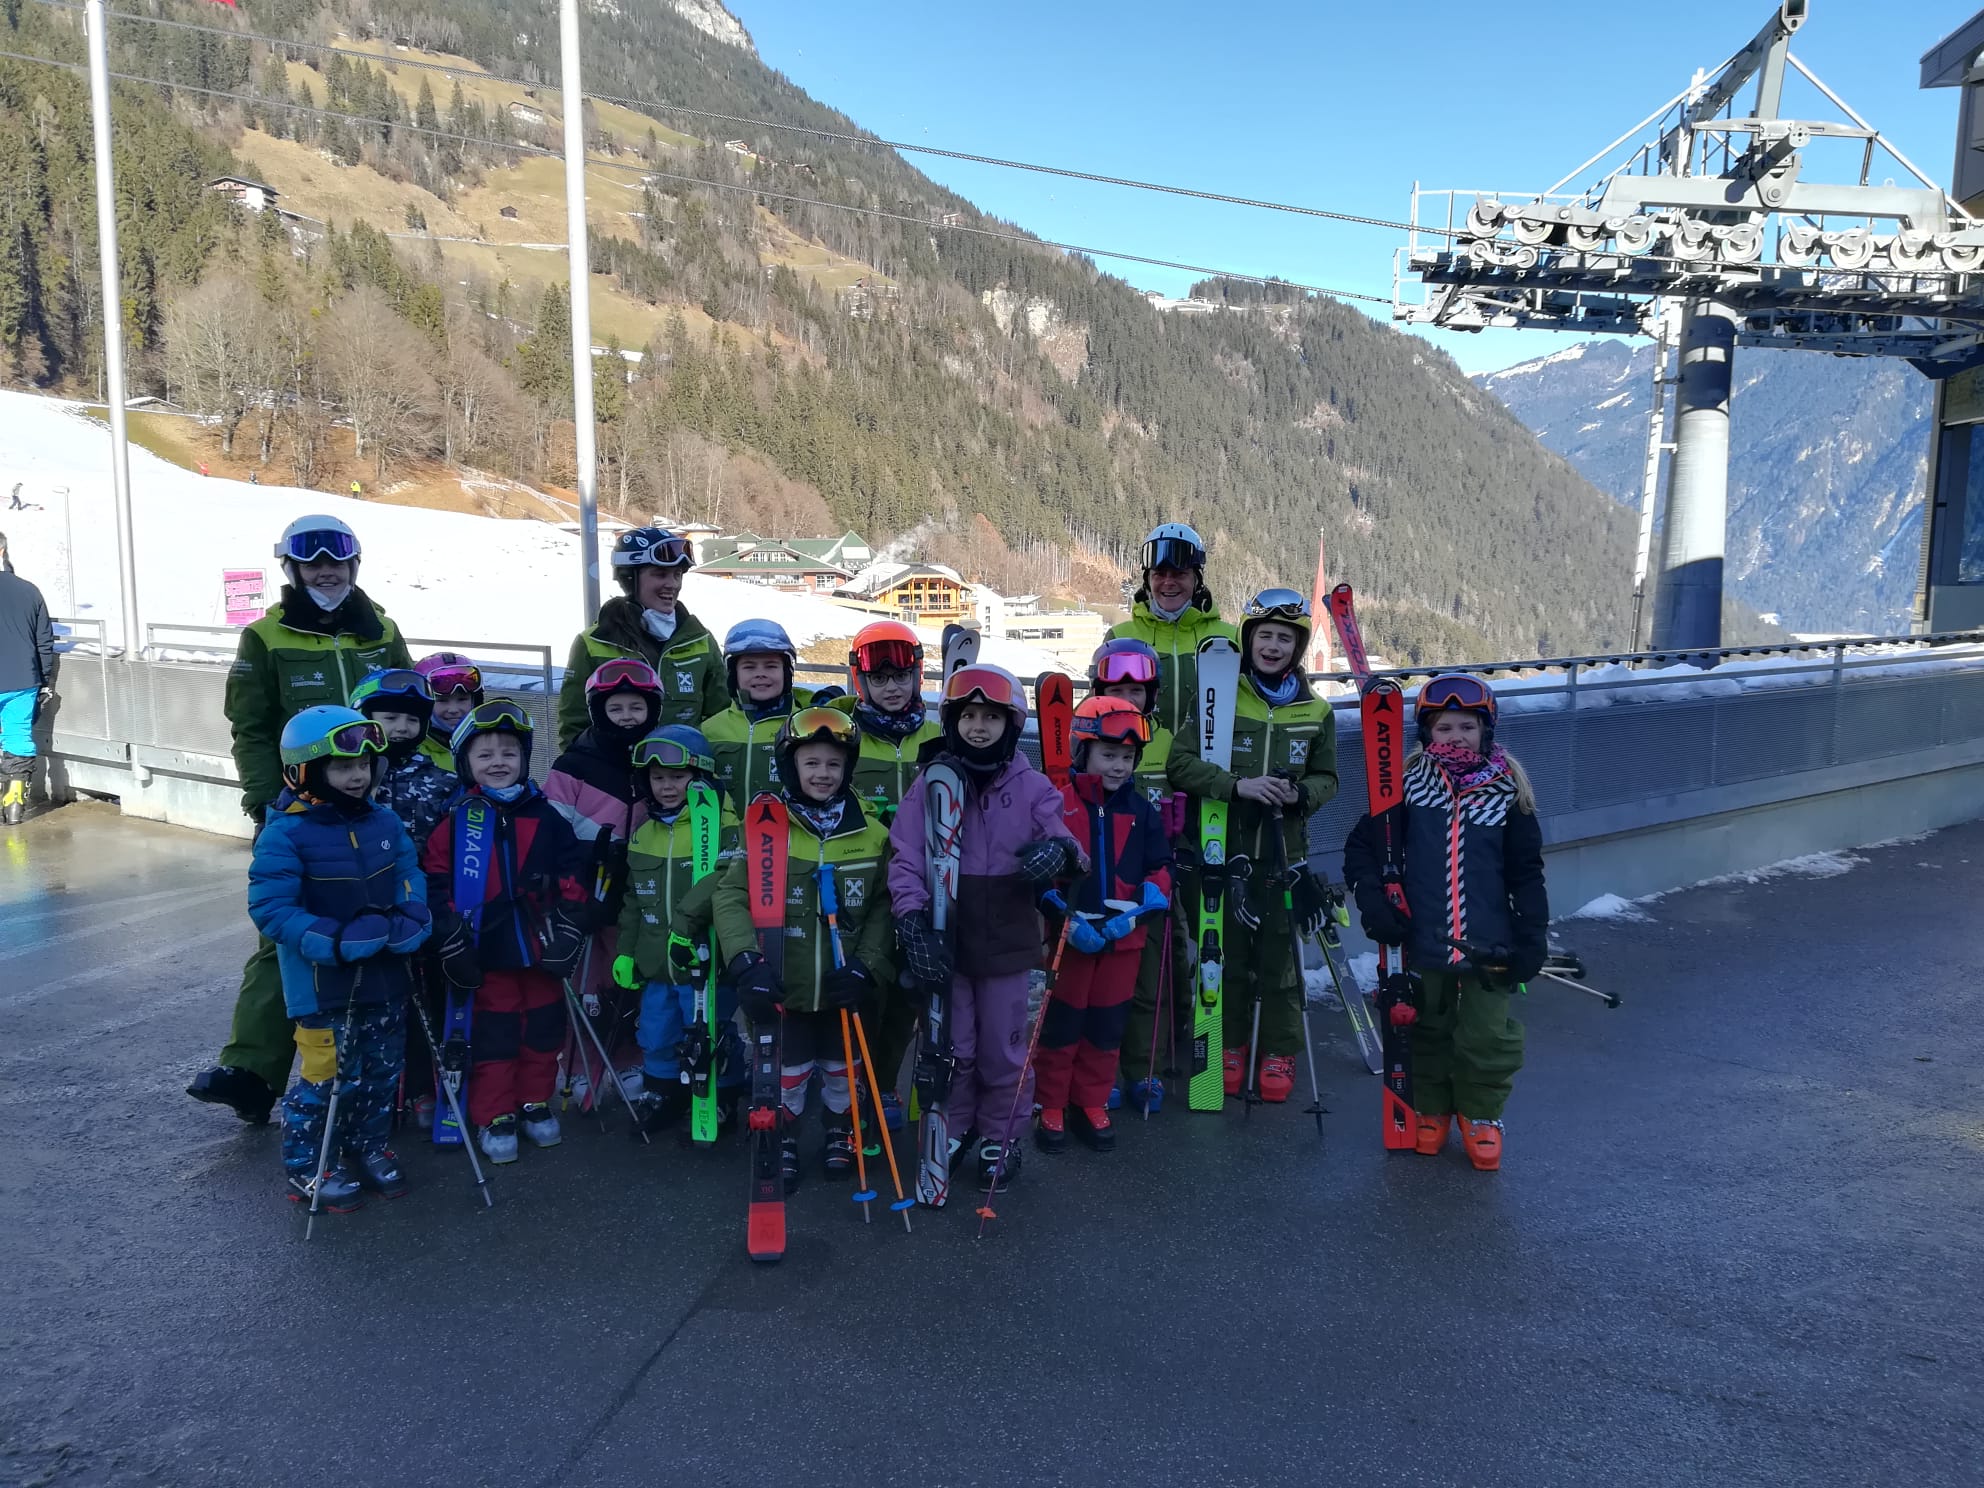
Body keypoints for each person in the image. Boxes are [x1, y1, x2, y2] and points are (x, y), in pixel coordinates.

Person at [188, 516, 413, 1124]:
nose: (326, 570)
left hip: (374, 807)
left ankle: (383, 1074)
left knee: (383, 926)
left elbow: (408, 705)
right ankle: (253, 1073)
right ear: (292, 569)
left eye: (336, 560)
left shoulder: (382, 631)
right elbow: (252, 728)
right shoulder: (265, 638)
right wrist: (270, 802)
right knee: (283, 936)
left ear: (354, 566)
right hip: (301, 809)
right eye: (311, 562)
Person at [888, 665, 1084, 1192]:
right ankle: (953, 1127)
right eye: (969, 716)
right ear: (952, 722)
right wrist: (911, 922)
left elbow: (1069, 844)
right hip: (947, 938)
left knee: (1003, 1049)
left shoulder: (1032, 786)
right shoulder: (931, 784)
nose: (979, 727)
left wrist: (1054, 853)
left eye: (990, 717)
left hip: (1008, 941)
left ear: (1011, 724)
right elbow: (905, 856)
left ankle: (1002, 1132)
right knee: (955, 1048)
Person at [1342, 674, 1545, 1172]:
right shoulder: (1403, 790)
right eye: (1444, 727)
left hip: (1488, 944)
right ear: (1426, 735)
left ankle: (1480, 1114)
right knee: (1426, 1028)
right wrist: (1376, 904)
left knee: (1485, 1036)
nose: (1455, 736)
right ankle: (1431, 1105)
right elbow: (1362, 851)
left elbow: (1526, 873)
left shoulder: (1507, 793)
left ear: (1486, 730)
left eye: (1467, 727)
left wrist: (1531, 934)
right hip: (1422, 937)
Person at [245, 706, 430, 1212]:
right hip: (323, 986)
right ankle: (311, 1166)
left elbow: (408, 873)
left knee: (379, 1071)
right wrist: (331, 939)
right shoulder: (285, 833)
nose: (358, 776)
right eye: (343, 767)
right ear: (306, 772)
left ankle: (368, 1146)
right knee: (328, 1077)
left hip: (385, 975)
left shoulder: (384, 820)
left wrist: (413, 914)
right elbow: (271, 908)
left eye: (367, 766)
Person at [713, 707, 896, 1192]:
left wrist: (867, 966)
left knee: (843, 1072)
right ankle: (785, 1137)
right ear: (791, 767)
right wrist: (743, 960)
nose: (822, 774)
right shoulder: (766, 830)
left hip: (843, 990)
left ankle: (841, 1134)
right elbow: (731, 895)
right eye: (811, 763)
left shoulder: (872, 835)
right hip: (783, 986)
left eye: (833, 765)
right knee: (787, 1076)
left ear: (848, 769)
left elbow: (883, 906)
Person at [1167, 588, 1338, 1105]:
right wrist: (1235, 786)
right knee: (1228, 956)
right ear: (1249, 640)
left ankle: (1279, 1049)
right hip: (1225, 852)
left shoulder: (1316, 710)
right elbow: (1180, 764)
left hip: (1285, 854)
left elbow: (1328, 776)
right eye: (1264, 635)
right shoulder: (1219, 697)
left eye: (1284, 638)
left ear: (1298, 646)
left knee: (1281, 961)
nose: (1272, 645)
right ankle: (1232, 1043)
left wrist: (1300, 794)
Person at [422, 701, 589, 1165]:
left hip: (540, 950)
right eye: (486, 754)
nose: (499, 762)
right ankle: (495, 1113)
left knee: (542, 1031)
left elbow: (574, 874)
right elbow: (436, 882)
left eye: (509, 753)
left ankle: (534, 1101)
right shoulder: (457, 821)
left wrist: (569, 927)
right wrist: (450, 934)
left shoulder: (547, 817)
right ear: (466, 764)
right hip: (486, 953)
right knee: (494, 1036)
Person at [1033, 696, 1172, 1155]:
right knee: (1062, 1025)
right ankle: (1051, 1102)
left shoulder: (1143, 810)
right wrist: (1060, 915)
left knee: (1106, 1025)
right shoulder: (1058, 804)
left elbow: (1161, 864)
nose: (1118, 767)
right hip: (1072, 939)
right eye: (1108, 755)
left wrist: (1154, 894)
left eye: (1127, 758)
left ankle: (1091, 1100)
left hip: (1124, 938)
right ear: (1083, 751)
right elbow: (1039, 873)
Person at [828, 619, 941, 1129]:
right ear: (861, 682)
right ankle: (853, 1083)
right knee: (864, 989)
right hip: (865, 887)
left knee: (906, 995)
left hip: (923, 888)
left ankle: (885, 1083)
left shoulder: (939, 736)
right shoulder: (844, 738)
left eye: (902, 677)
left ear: (918, 677)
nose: (892, 688)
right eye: (880, 679)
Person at [611, 725, 745, 1132]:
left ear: (699, 776)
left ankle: (720, 1095)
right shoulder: (643, 833)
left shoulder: (723, 824)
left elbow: (726, 877)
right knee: (656, 1030)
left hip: (704, 961)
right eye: (657, 778)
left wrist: (689, 919)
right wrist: (626, 951)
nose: (666, 787)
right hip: (657, 963)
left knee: (709, 1031)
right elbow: (634, 900)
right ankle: (663, 1092)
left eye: (677, 777)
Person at [546, 658, 666, 1099]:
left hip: (635, 891)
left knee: (628, 977)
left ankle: (628, 1057)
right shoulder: (575, 763)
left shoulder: (655, 760)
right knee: (587, 984)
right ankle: (578, 1062)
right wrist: (574, 874)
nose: (628, 718)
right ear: (599, 712)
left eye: (637, 708)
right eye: (617, 709)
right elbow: (551, 827)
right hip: (586, 889)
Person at [349, 667, 460, 1130]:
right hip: (359, 910)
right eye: (389, 718)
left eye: (411, 720)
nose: (400, 729)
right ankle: (365, 1092)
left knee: (424, 1002)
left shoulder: (439, 781)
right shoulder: (348, 779)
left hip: (421, 908)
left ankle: (422, 1087)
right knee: (368, 1007)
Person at [1086, 637, 1185, 1113]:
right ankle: (1096, 1072)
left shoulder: (1168, 739)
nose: (1128, 699)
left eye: (1138, 691)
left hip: (1148, 873)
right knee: (1095, 990)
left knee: (1148, 985)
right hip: (1097, 888)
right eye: (1115, 689)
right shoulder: (1085, 737)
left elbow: (1193, 775)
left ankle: (1142, 1068)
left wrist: (1160, 883)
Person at [557, 527, 726, 750]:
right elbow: (574, 727)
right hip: (615, 777)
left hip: (678, 777)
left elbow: (722, 717)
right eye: (660, 574)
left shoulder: (699, 640)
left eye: (677, 575)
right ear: (630, 578)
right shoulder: (594, 642)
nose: (673, 584)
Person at [1107, 523, 1238, 740]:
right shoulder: (1120, 637)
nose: (1168, 582)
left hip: (1206, 767)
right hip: (1139, 764)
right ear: (1148, 581)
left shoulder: (1230, 639)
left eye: (1179, 574)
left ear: (1196, 580)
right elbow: (1099, 705)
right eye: (1159, 574)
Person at [704, 619, 816, 812]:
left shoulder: (805, 728)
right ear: (733, 674)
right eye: (749, 667)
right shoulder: (710, 730)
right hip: (723, 838)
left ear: (786, 672)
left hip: (789, 838)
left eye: (771, 666)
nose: (760, 674)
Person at [0, 530, 56, 827]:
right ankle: (13, 807)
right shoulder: (29, 591)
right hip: (23, 679)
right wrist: (45, 680)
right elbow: (44, 641)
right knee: (18, 736)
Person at [413, 652, 483, 772]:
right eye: (442, 701)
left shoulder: (487, 744)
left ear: (475, 701)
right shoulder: (412, 752)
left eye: (462, 699)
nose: (453, 710)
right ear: (422, 704)